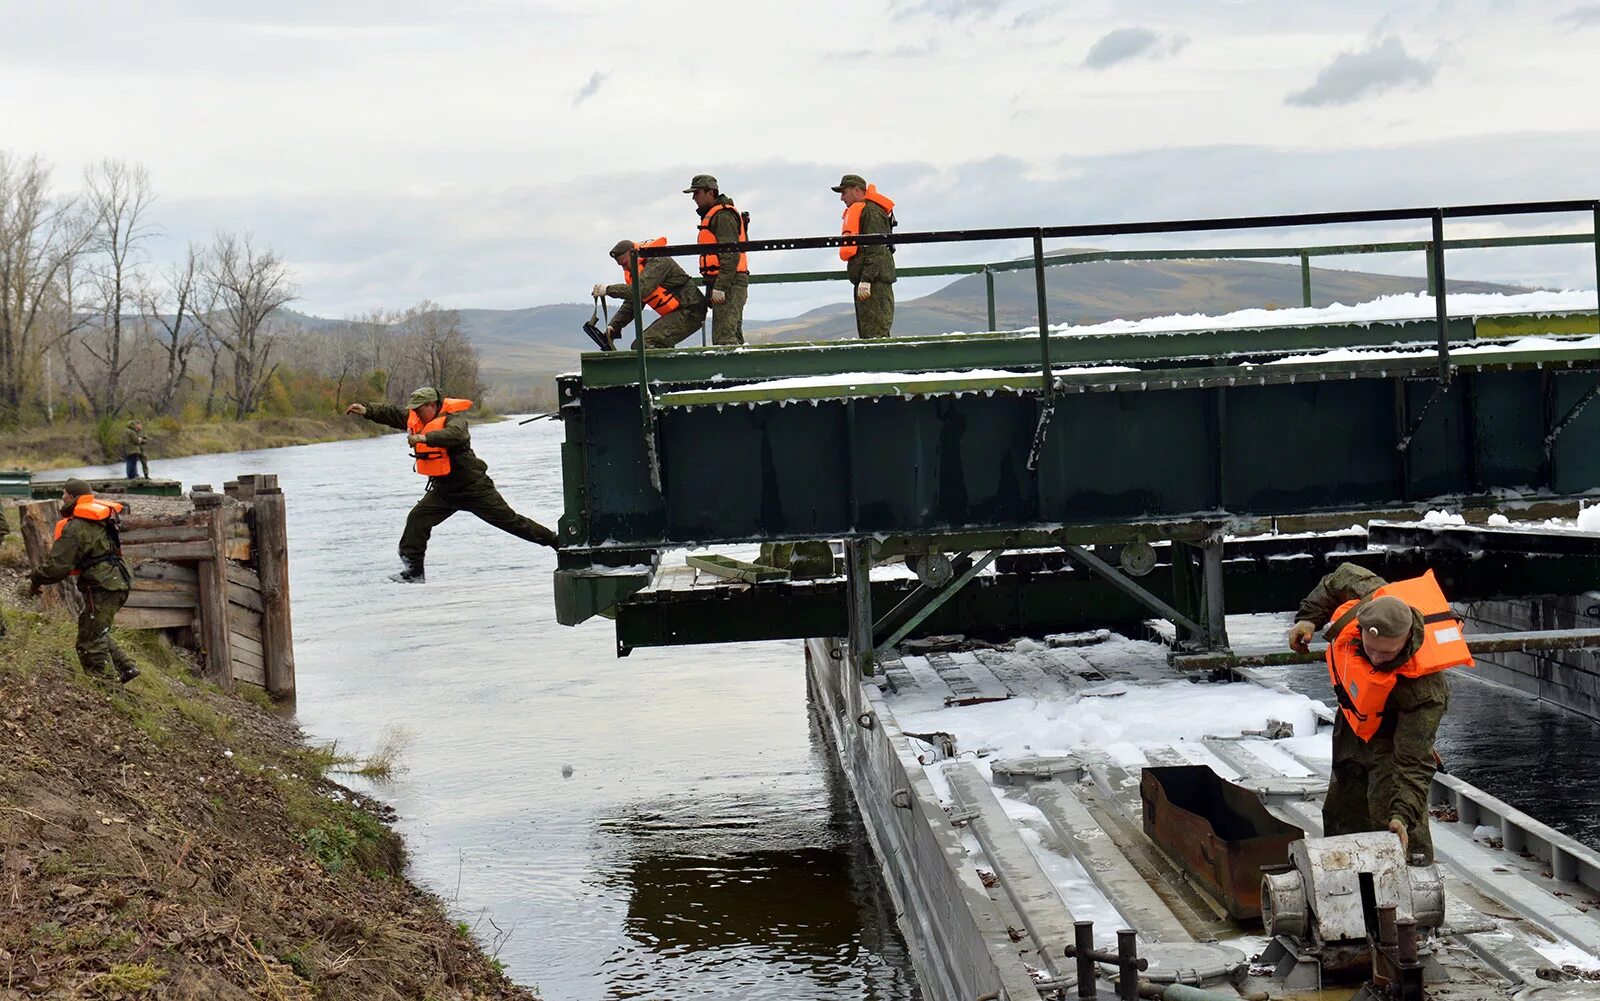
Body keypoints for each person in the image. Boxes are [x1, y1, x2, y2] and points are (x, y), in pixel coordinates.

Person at [1287, 563, 1473, 865]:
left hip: (1393, 734)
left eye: (1385, 654)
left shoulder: (1425, 693)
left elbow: (1413, 764)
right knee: (1343, 806)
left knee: (1390, 818)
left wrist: (1403, 815)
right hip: (1354, 718)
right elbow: (1339, 576)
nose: (1375, 658)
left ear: (1405, 640)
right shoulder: (1368, 593)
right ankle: (1341, 873)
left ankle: (1413, 869)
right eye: (1369, 649)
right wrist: (1308, 619)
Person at [345, 388, 558, 583]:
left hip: (474, 488)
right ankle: (414, 571)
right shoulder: (416, 418)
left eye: (419, 410)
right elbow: (391, 413)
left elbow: (455, 436)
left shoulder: (455, 422)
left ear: (432, 405)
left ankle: (556, 542)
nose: (416, 415)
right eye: (415, 411)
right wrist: (366, 410)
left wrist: (425, 438)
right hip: (445, 490)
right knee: (417, 519)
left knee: (511, 522)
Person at [26, 478, 138, 683]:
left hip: (104, 585)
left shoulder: (77, 526)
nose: (62, 498)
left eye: (64, 494)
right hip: (117, 580)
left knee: (89, 642)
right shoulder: (100, 520)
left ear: (72, 496)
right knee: (93, 627)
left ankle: (108, 689)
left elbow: (57, 567)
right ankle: (126, 667)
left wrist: (34, 579)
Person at [593, 239, 708, 349]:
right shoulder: (639, 270)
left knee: (644, 344)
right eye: (621, 266)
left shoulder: (658, 261)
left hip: (691, 310)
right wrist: (614, 326)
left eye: (625, 263)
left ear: (634, 253)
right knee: (644, 344)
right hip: (678, 312)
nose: (625, 268)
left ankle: (667, 368)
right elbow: (632, 303)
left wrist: (608, 290)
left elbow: (640, 290)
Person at [684, 174, 749, 346]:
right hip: (726, 282)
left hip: (730, 283)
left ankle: (730, 372)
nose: (693, 198)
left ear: (710, 192)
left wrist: (720, 287)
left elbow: (730, 254)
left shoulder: (723, 216)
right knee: (731, 337)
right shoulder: (718, 215)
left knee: (724, 340)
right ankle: (740, 370)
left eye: (697, 193)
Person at [833, 174, 897, 339]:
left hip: (874, 283)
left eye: (844, 192)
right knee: (869, 334)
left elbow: (877, 247)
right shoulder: (865, 210)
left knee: (876, 334)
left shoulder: (871, 212)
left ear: (856, 190)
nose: (842, 198)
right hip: (867, 281)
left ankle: (881, 364)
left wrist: (867, 279)